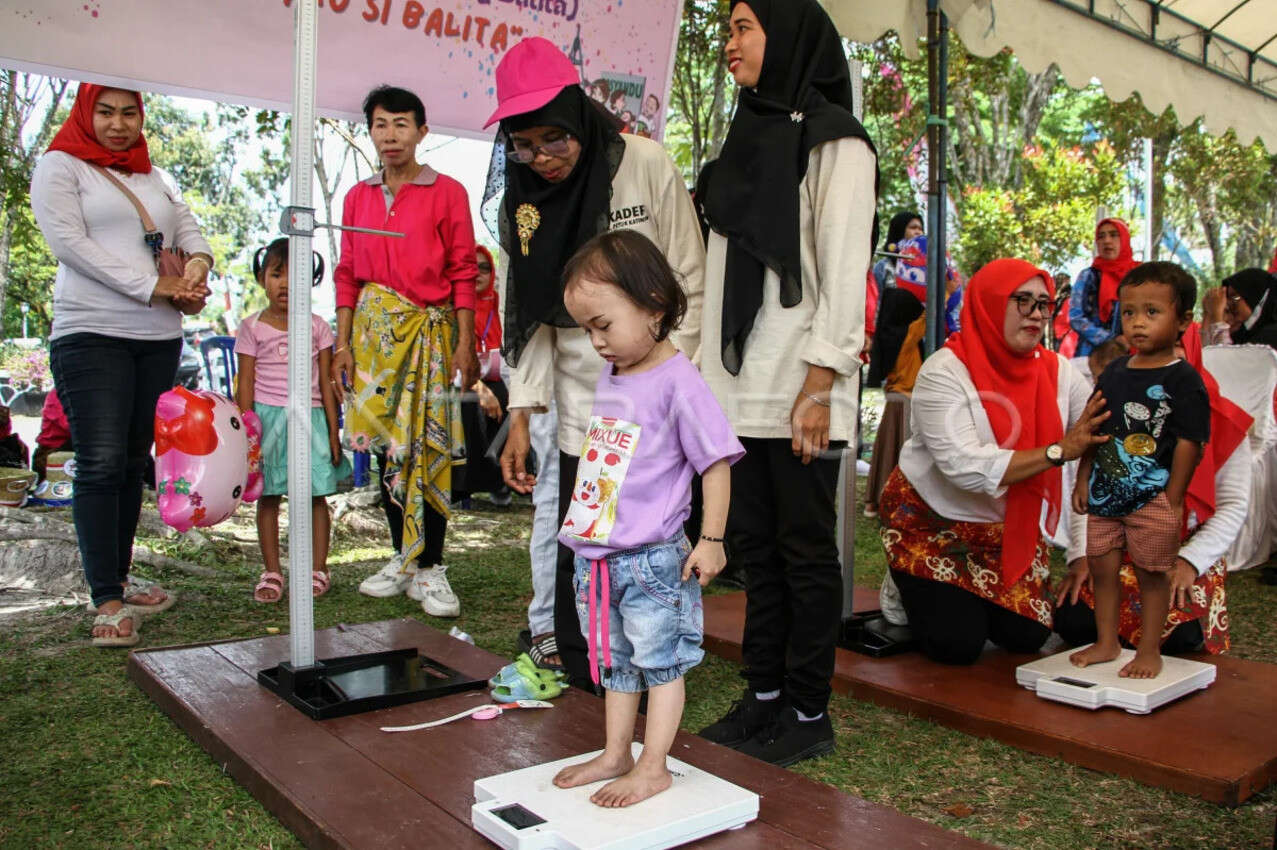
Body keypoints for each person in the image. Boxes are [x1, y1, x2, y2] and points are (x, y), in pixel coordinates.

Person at [488, 37, 705, 688]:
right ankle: (585, 664)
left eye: (553, 138)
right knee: (579, 534)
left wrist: (672, 381)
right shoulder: (520, 202)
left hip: (655, 395)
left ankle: (652, 660)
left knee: (647, 531)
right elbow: (522, 311)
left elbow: (689, 273)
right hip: (581, 402)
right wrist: (521, 415)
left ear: (579, 116)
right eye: (523, 144)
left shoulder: (642, 164)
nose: (541, 158)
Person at [695, 0, 877, 766]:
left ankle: (808, 710)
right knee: (753, 551)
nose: (728, 42)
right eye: (728, 28)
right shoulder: (743, 138)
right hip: (735, 384)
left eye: (743, 26)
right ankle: (761, 694)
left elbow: (842, 269)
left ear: (787, 35)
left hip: (801, 382)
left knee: (804, 553)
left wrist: (818, 384)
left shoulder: (835, 141)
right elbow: (711, 274)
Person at [551, 230, 743, 808]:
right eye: (586, 329)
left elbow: (715, 463)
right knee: (614, 662)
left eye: (603, 325)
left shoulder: (680, 382)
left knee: (660, 662)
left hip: (654, 560)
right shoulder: (615, 374)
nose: (596, 341)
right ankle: (616, 752)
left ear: (654, 307)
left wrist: (711, 539)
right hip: (599, 556)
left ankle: (653, 765)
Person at [31, 84, 212, 647]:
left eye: (128, 112)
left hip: (157, 337)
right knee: (102, 460)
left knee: (135, 459)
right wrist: (153, 283)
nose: (117, 123)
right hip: (91, 334)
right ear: (86, 113)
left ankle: (121, 576)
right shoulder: (60, 166)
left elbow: (187, 229)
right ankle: (105, 599)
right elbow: (68, 243)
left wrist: (197, 270)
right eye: (105, 112)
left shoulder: (152, 176)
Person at [877, 259, 1109, 666]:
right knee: (957, 645)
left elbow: (1092, 450)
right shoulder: (944, 372)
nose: (1036, 314)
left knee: (1027, 637)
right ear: (989, 303)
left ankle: (968, 600)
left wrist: (1081, 553)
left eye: (1044, 304)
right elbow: (963, 466)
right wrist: (1057, 452)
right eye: (1022, 301)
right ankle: (904, 584)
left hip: (1009, 530)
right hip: (935, 527)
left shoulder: (1059, 373)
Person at [332, 85, 478, 617]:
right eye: (379, 124)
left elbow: (464, 271)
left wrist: (465, 342)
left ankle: (432, 566)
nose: (389, 135)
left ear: (421, 131)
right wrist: (342, 344)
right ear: (369, 131)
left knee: (429, 446)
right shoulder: (356, 197)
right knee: (382, 446)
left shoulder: (449, 192)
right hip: (371, 341)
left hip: (429, 338)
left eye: (400, 124)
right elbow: (347, 274)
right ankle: (401, 558)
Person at [1056, 319, 1251, 658]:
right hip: (1122, 538)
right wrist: (1081, 556)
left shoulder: (1227, 426)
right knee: (1072, 620)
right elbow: (1090, 489)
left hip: (1182, 549)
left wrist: (1190, 562)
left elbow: (1233, 506)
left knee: (1176, 635)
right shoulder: (1118, 408)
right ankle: (1111, 643)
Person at [1069, 262, 1209, 678]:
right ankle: (1107, 642)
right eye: (1129, 313)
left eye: (1152, 312)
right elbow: (1092, 427)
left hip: (1153, 498)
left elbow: (1189, 442)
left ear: (1182, 320)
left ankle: (1149, 649)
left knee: (1152, 575)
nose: (1138, 324)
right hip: (1106, 494)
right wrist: (1082, 478)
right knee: (1103, 568)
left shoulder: (1185, 380)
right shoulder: (1113, 372)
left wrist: (1175, 497)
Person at [236, 239, 350, 603]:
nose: (285, 283)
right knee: (268, 498)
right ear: (261, 279)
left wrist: (333, 432)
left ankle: (319, 568)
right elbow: (245, 384)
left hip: (311, 420)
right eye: (276, 274)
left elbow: (328, 383)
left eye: (295, 275)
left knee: (316, 498)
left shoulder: (318, 327)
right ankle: (272, 570)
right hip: (266, 423)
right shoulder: (251, 327)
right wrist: (245, 436)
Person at [453, 245, 511, 506]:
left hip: (500, 378)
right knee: (469, 403)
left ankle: (501, 480)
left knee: (513, 402)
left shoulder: (501, 304)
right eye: (472, 267)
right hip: (463, 380)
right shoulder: (456, 308)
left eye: (485, 267)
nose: (478, 273)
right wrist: (481, 389)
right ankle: (466, 484)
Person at [1069, 218, 1138, 356]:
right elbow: (1076, 317)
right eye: (1101, 236)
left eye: (1113, 235)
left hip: (1133, 355)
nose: (1107, 241)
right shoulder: (1088, 276)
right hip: (1092, 358)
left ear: (1125, 239)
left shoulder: (1139, 276)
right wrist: (1111, 339)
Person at [1202, 268, 1277, 349]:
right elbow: (1206, 356)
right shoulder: (1243, 334)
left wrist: (1217, 315)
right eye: (1228, 298)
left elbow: (1225, 358)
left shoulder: (1271, 334)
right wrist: (1208, 313)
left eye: (1235, 297)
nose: (1229, 304)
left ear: (1254, 297)